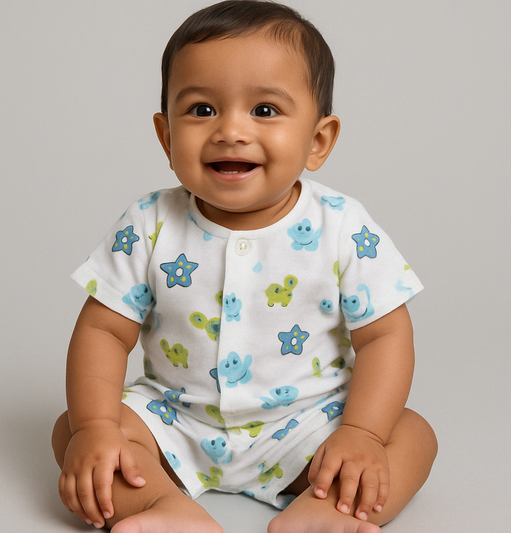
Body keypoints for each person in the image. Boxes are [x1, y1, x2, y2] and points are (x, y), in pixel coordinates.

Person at [51, 1, 437, 532]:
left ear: (318, 140)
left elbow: (385, 337)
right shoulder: (148, 223)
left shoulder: (343, 225)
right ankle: (158, 504)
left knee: (411, 434)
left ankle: (325, 511)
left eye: (265, 110)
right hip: (175, 423)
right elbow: (103, 331)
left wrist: (362, 433)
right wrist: (95, 426)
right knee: (76, 429)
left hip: (307, 428)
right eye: (202, 109)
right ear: (166, 137)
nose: (231, 130)